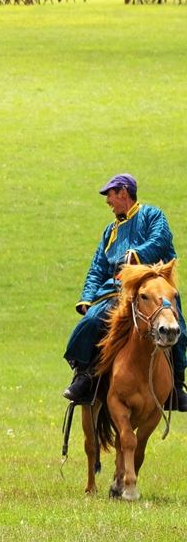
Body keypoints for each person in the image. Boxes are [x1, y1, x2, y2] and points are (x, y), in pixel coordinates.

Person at [62, 174, 187, 410]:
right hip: (116, 292)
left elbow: (161, 240)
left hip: (153, 288)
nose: (108, 201)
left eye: (109, 194)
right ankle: (84, 377)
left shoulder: (152, 215)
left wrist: (134, 255)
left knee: (179, 329)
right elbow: (97, 266)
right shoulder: (110, 231)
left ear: (123, 192)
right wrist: (88, 297)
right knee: (90, 321)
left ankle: (176, 388)